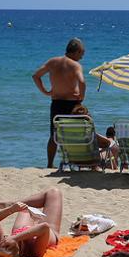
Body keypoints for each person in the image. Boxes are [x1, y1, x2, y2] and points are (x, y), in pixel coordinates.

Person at [33, 38, 87, 168]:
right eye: (81, 54)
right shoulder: (75, 65)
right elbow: (82, 82)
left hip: (56, 102)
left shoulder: (52, 62)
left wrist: (45, 92)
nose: (82, 57)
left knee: (54, 135)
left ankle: (50, 164)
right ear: (77, 51)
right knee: (78, 132)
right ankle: (78, 160)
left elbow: (36, 76)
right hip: (72, 103)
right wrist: (82, 96)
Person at [0, 188, 63, 257]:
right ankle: (12, 204)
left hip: (26, 230)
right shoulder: (35, 251)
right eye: (7, 245)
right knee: (54, 193)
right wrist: (15, 238)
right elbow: (44, 227)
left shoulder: (2, 245)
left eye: (1, 245)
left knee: (24, 208)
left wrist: (11, 209)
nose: (5, 239)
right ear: (17, 249)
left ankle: (10, 204)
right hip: (48, 233)